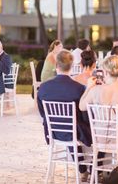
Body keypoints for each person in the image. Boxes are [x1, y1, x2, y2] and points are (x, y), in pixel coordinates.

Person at [37, 50, 91, 180]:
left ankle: (83, 169)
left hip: (53, 131)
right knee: (97, 132)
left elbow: (42, 113)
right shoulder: (79, 88)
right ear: (72, 66)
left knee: (76, 126)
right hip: (75, 132)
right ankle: (94, 169)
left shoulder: (43, 87)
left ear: (56, 66)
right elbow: (85, 115)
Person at [79, 55, 118, 147]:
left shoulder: (96, 90)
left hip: (101, 137)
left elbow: (81, 106)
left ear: (105, 72)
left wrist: (88, 88)